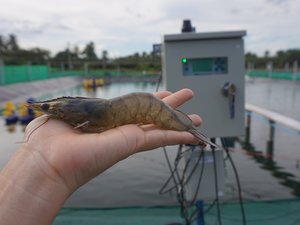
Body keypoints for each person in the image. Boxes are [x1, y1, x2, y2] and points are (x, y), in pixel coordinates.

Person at [0, 89, 202, 225]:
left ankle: (188, 128)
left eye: (47, 109)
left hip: (141, 108)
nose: (46, 111)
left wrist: (39, 162)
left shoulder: (84, 113)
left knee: (183, 126)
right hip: (126, 108)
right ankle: (191, 129)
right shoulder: (79, 110)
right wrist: (39, 157)